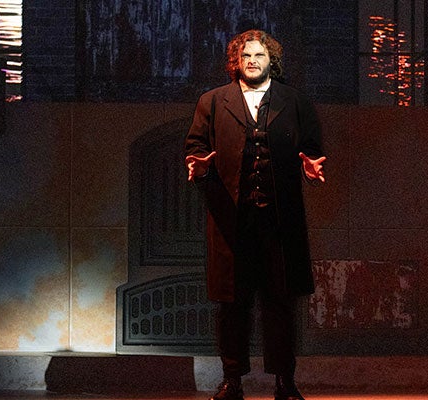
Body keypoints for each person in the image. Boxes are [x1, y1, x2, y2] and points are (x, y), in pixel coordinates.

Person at [184, 29, 326, 400]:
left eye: (259, 55)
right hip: (232, 223)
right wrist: (198, 167)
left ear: (271, 61)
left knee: (280, 305)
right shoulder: (213, 102)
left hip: (280, 223)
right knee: (232, 306)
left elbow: (312, 150)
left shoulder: (294, 102)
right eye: (245, 55)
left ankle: (285, 381)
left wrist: (311, 168)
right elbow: (196, 148)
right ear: (236, 61)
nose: (251, 60)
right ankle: (232, 381)